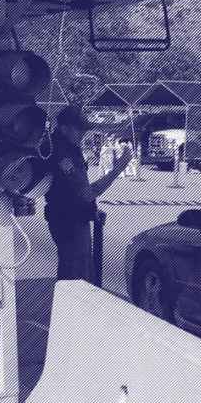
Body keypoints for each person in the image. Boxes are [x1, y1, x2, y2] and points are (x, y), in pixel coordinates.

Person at [44, 105, 132, 282]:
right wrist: (118, 169)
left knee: (73, 272)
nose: (83, 134)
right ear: (64, 128)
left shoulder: (61, 147)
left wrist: (91, 210)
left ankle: (71, 308)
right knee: (77, 277)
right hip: (70, 223)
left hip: (67, 218)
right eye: (79, 129)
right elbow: (87, 193)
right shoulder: (63, 154)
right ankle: (74, 310)